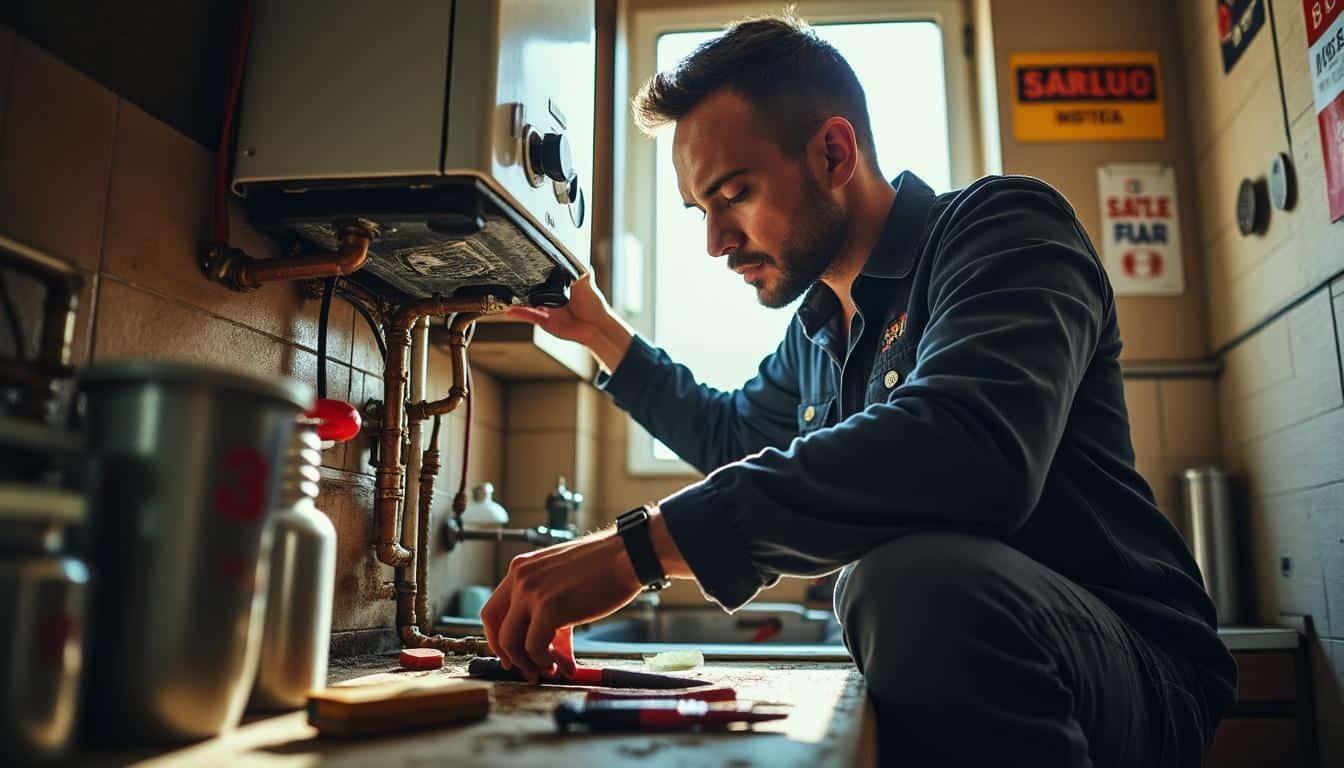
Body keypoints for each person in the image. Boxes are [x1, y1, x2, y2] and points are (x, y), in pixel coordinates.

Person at [480, 13, 1235, 766]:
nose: (715, 241)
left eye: (734, 194)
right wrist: (603, 336)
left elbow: (971, 451)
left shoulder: (1004, 228)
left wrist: (636, 550)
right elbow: (731, 438)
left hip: (1135, 661)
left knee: (904, 583)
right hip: (996, 645)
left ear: (834, 153)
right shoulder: (816, 330)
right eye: (700, 211)